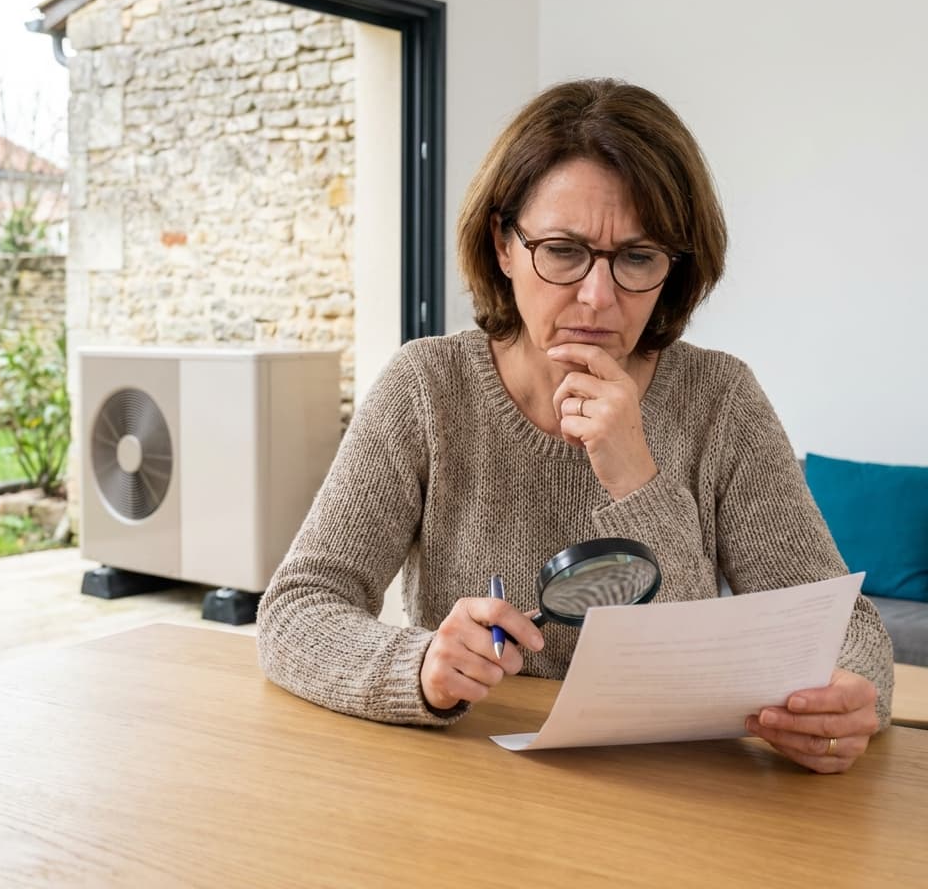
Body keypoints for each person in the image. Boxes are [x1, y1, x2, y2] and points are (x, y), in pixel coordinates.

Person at [256, 78, 892, 774]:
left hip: (673, 793)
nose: (597, 296)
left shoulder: (721, 399)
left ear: (673, 269)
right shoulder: (426, 388)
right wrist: (420, 667)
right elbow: (297, 610)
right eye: (562, 250)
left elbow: (846, 630)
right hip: (472, 784)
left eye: (638, 258)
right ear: (503, 244)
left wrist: (848, 698)